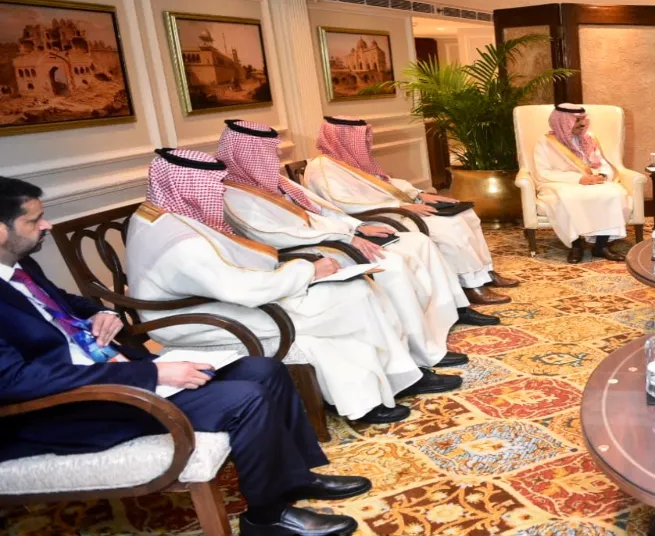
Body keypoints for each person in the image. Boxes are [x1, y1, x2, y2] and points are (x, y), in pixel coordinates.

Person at [0, 176, 366, 536]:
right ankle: (267, 519)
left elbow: (69, 303)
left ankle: (294, 478)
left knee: (264, 370)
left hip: (113, 372)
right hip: (72, 410)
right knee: (245, 400)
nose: (46, 225)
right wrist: (155, 376)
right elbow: (16, 381)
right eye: (33, 220)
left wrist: (103, 313)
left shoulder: (20, 266)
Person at [126, 148, 441, 425]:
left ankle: (386, 384)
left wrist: (298, 272)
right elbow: (240, 288)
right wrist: (307, 272)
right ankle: (384, 388)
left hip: (213, 301)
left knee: (354, 294)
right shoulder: (180, 239)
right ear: (186, 185)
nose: (219, 191)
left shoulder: (167, 215)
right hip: (195, 319)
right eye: (212, 185)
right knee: (354, 296)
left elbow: (229, 274)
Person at [216, 121, 493, 369]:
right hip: (316, 252)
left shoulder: (277, 183)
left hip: (337, 237)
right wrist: (348, 235)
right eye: (270, 152)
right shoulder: (234, 195)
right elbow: (276, 237)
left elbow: (323, 210)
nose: (277, 156)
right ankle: (422, 353)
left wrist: (356, 227)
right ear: (247, 154)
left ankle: (450, 314)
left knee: (419, 242)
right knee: (392, 266)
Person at [303, 116, 518, 305]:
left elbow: (386, 182)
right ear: (340, 138)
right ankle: (470, 284)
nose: (366, 142)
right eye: (358, 137)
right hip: (376, 218)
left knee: (464, 214)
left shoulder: (349, 160)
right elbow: (343, 203)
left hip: (395, 209)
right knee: (448, 225)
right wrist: (403, 206)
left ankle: (485, 273)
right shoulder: (323, 167)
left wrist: (418, 194)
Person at [533, 104, 631, 263]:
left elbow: (602, 163)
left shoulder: (588, 138)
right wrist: (578, 179)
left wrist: (602, 176)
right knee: (569, 197)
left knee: (614, 193)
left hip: (591, 181)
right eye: (577, 120)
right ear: (562, 122)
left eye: (583, 119)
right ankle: (576, 245)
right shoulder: (545, 142)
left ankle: (601, 246)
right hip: (560, 183)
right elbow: (543, 173)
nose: (583, 124)